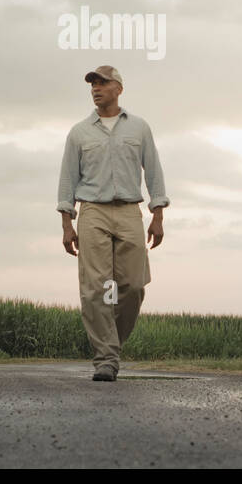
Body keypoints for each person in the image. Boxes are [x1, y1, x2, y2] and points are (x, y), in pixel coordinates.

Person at [56, 65, 168, 381]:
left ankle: (111, 345)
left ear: (118, 88)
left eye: (103, 83)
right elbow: (67, 179)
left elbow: (154, 173)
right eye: (92, 83)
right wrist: (67, 223)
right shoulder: (79, 133)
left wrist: (158, 215)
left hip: (131, 211)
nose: (96, 88)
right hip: (92, 211)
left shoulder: (140, 129)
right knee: (96, 288)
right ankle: (106, 358)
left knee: (132, 286)